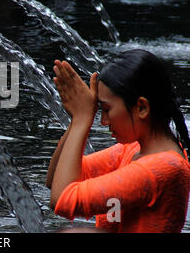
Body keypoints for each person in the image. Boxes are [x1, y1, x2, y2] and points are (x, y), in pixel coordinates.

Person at [46, 49, 190, 233]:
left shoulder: (162, 168)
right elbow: (55, 180)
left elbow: (61, 200)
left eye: (106, 110)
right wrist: (77, 119)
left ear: (141, 107)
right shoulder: (132, 149)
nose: (103, 121)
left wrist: (83, 120)